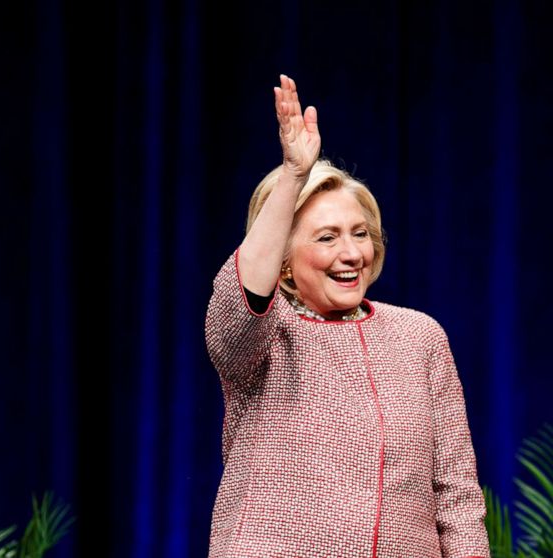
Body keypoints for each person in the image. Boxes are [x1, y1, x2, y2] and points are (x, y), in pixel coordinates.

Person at [203, 75, 489, 556]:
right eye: (327, 236)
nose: (352, 252)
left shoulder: (419, 336)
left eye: (360, 233)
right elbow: (243, 298)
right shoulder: (266, 337)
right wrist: (295, 176)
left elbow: (456, 494)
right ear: (285, 261)